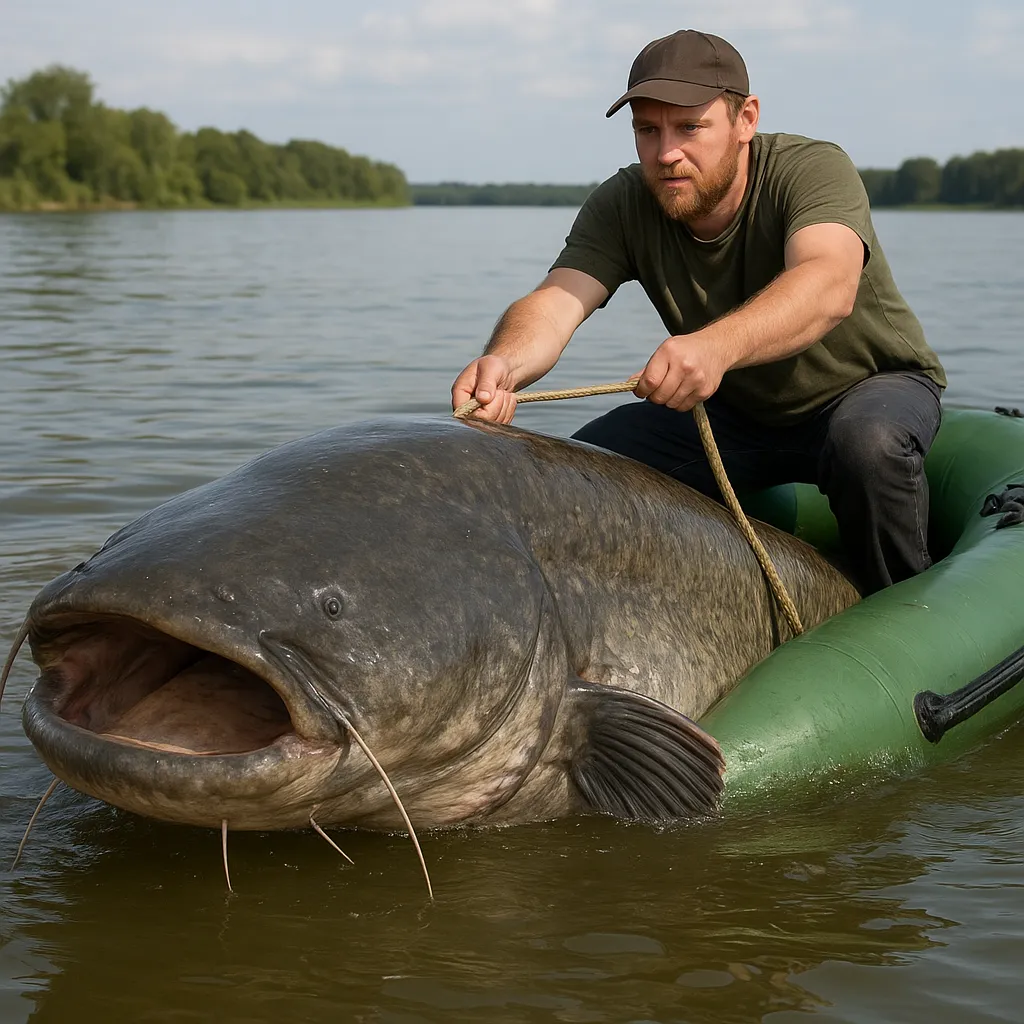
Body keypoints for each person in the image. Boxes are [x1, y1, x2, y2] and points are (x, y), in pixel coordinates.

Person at [450, 29, 946, 595]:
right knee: (579, 476)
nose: (666, 153)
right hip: (733, 410)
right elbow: (558, 300)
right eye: (647, 130)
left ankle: (912, 617)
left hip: (868, 388)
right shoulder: (624, 202)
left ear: (746, 119)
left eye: (690, 127)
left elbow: (828, 284)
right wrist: (503, 364)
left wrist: (714, 346)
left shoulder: (812, 169)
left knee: (868, 445)